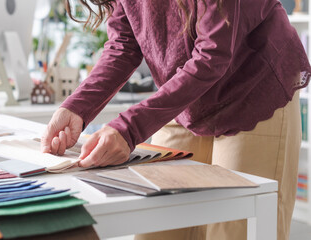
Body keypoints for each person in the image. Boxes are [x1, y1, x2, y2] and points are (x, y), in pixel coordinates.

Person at [41, 0, 311, 239]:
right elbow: (124, 43)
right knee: (158, 225)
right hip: (186, 101)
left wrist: (129, 129)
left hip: (254, 91)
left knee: (233, 229)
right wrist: (76, 108)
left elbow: (212, 55)